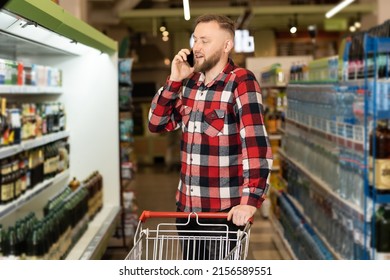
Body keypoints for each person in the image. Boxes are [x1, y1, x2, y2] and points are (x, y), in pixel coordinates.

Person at [148, 14, 273, 259]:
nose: (196, 47)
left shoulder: (241, 82)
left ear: (227, 45)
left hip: (224, 214)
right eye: (195, 39)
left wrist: (250, 201)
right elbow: (157, 124)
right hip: (187, 211)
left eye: (205, 41)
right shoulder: (189, 84)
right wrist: (174, 80)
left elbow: (255, 146)